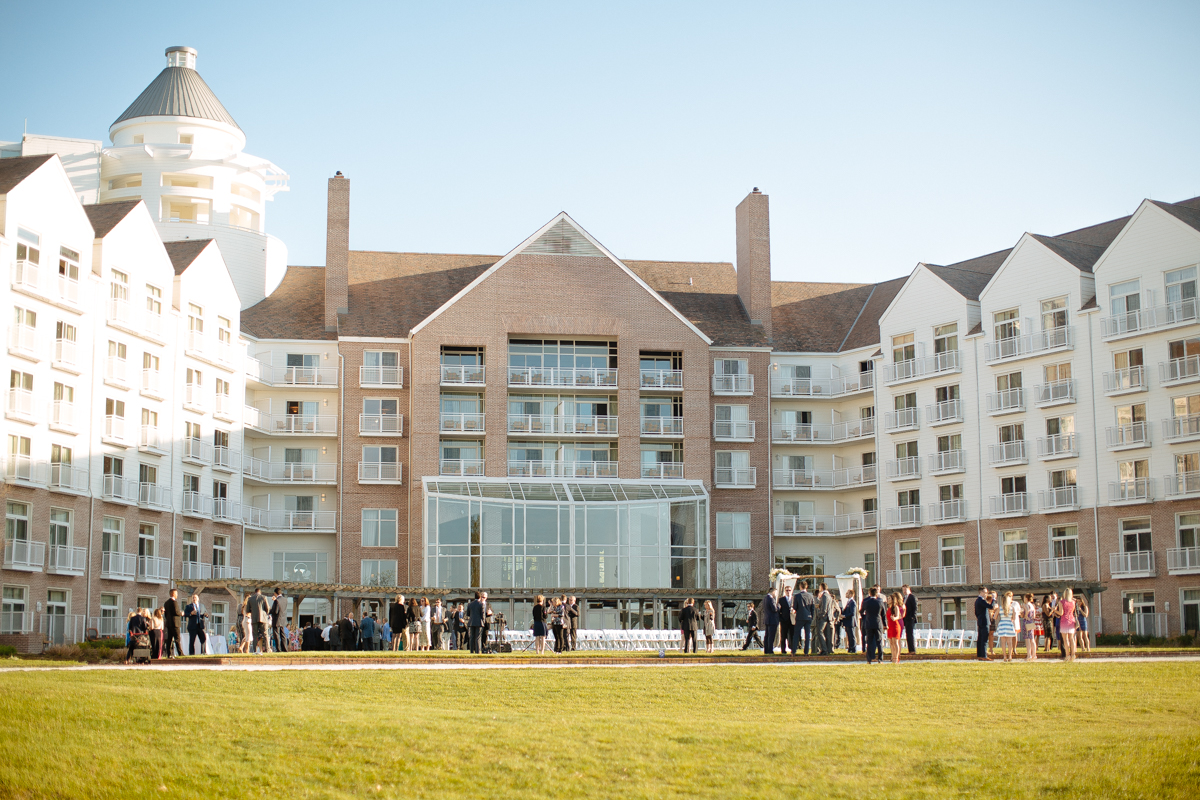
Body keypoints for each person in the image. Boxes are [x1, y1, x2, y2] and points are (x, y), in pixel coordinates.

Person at [860, 586, 884, 664]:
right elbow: (883, 614)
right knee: (879, 641)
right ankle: (880, 659)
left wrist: (865, 617)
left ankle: (869, 659)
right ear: (876, 594)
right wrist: (885, 624)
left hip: (869, 623)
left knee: (869, 642)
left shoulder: (866, 601)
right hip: (878, 623)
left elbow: (861, 611)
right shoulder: (880, 601)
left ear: (869, 593)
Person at [245, 588, 272, 654]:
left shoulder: (250, 599)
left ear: (255, 592)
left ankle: (254, 650)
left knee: (255, 635)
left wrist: (253, 611)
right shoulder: (264, 597)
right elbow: (267, 609)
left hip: (254, 618)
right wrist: (266, 613)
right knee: (265, 634)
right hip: (263, 619)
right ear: (260, 592)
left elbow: (247, 610)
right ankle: (268, 649)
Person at [792, 581, 815, 655]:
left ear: (800, 587)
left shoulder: (797, 596)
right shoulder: (811, 596)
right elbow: (813, 607)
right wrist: (811, 616)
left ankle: (794, 651)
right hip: (808, 617)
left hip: (800, 617)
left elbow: (795, 607)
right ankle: (806, 651)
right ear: (807, 587)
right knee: (807, 635)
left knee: (796, 634)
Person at [996, 591, 1018, 662]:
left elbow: (995, 616)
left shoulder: (1000, 608)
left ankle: (1004, 656)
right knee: (1009, 642)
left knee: (1003, 642)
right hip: (1009, 623)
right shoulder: (1012, 608)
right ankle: (1010, 656)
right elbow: (1014, 618)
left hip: (1002, 623)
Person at [814, 583, 835, 656]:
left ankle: (824, 649)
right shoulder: (829, 595)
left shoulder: (825, 596)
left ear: (822, 587)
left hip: (824, 617)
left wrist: (820, 615)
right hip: (828, 617)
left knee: (819, 631)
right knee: (827, 634)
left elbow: (825, 608)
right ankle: (828, 649)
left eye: (819, 587)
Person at [162, 588, 183, 659]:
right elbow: (176, 612)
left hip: (169, 623)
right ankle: (180, 653)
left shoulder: (166, 603)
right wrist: (181, 613)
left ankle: (169, 653)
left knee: (169, 639)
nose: (177, 595)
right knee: (177, 639)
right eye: (176, 593)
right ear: (173, 594)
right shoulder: (174, 602)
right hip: (175, 623)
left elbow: (166, 614)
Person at [1058, 589, 1078, 662]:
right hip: (1071, 620)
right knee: (1072, 638)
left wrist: (1054, 610)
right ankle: (1073, 654)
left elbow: (1061, 613)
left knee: (1065, 639)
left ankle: (1067, 655)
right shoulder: (1073, 602)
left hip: (1064, 620)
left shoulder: (1062, 602)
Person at [974, 587, 993, 661]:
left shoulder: (977, 601)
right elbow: (990, 606)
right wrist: (993, 600)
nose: (986, 594)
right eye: (985, 593)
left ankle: (980, 655)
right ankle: (984, 655)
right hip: (984, 622)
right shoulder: (981, 600)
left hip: (980, 621)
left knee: (980, 639)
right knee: (984, 639)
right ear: (981, 592)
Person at [886, 592, 904, 664]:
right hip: (889, 626)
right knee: (891, 642)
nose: (888, 600)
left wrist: (894, 618)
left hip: (895, 625)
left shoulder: (895, 607)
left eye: (889, 598)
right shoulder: (888, 608)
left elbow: (898, 616)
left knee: (895, 641)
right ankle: (893, 657)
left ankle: (896, 658)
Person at [761, 588, 780, 655]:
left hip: (767, 619)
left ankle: (766, 650)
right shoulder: (771, 599)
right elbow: (774, 609)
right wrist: (779, 607)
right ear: (773, 592)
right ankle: (770, 650)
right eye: (776, 592)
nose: (776, 594)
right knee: (771, 636)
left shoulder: (765, 598)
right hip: (772, 620)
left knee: (767, 635)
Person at [269, 589, 288, 653]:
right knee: (283, 635)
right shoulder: (285, 600)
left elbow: (275, 611)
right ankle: (285, 648)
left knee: (276, 635)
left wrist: (269, 610)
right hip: (283, 620)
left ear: (275, 593)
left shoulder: (276, 601)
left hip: (276, 620)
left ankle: (278, 649)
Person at [902, 584, 918, 655]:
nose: (904, 591)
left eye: (905, 590)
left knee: (910, 634)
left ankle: (912, 650)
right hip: (905, 619)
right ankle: (909, 649)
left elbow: (915, 608)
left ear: (909, 590)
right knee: (907, 634)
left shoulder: (912, 597)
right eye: (903, 590)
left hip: (910, 618)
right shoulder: (903, 598)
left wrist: (912, 616)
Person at [778, 585, 794, 655]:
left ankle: (793, 649)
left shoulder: (794, 599)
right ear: (785, 591)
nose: (788, 592)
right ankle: (783, 650)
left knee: (792, 635)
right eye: (787, 590)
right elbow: (778, 610)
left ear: (791, 591)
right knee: (783, 635)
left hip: (792, 620)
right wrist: (781, 618)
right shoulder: (781, 599)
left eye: (789, 590)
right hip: (784, 620)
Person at [1023, 593, 1039, 661]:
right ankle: (1034, 655)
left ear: (1026, 598)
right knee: (1032, 638)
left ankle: (1029, 655)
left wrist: (1025, 616)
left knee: (1027, 639)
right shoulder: (1032, 605)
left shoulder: (1025, 605)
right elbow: (1034, 615)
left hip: (1027, 622)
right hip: (1032, 622)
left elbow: (1027, 611)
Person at [842, 589, 858, 654]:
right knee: (849, 635)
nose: (846, 594)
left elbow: (852, 613)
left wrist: (845, 616)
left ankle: (853, 648)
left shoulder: (852, 602)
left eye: (847, 593)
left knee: (852, 635)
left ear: (851, 595)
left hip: (851, 622)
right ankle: (850, 647)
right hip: (847, 622)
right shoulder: (848, 602)